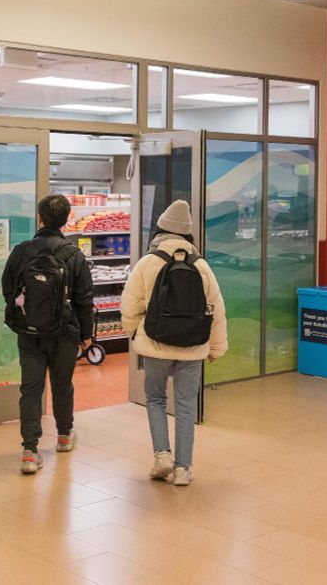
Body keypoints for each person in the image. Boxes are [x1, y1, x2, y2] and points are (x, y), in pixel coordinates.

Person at [120, 200, 227, 486]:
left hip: (156, 343)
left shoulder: (148, 262)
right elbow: (216, 308)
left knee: (155, 399)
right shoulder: (201, 265)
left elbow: (129, 306)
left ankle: (162, 456)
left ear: (160, 230)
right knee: (186, 405)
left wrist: (135, 333)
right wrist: (217, 347)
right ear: (188, 236)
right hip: (193, 347)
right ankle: (183, 469)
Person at [2, 195, 93, 474]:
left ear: (40, 218)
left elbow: (8, 288)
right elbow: (84, 298)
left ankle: (30, 451)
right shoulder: (73, 254)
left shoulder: (22, 251)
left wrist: (26, 312)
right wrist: (87, 334)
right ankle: (64, 436)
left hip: (29, 332)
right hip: (65, 332)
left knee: (30, 388)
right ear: (66, 220)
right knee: (62, 383)